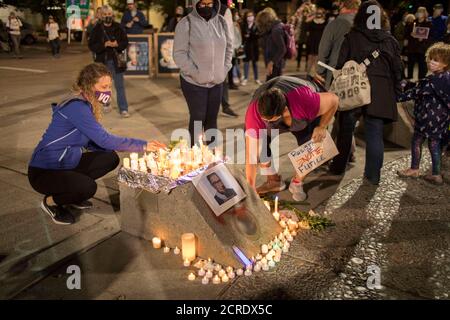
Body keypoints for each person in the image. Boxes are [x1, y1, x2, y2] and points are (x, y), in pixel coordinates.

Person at [28, 63, 166, 225]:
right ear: (90, 85)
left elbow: (94, 142)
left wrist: (112, 146)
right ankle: (51, 201)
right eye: (104, 86)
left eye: (109, 86)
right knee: (88, 188)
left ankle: (73, 193)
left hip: (65, 164)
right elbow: (104, 139)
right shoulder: (77, 107)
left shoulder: (85, 103)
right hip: (44, 172)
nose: (108, 91)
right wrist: (143, 145)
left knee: (109, 158)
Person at [328, 0, 403, 185]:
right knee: (375, 134)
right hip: (380, 91)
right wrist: (395, 91)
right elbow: (398, 70)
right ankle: (373, 176)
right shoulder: (389, 40)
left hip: (354, 89)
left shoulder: (352, 37)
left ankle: (338, 167)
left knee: (345, 130)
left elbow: (340, 65)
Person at [245, 76, 339, 201]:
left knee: (313, 147)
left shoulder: (305, 101)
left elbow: (334, 100)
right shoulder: (254, 114)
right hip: (279, 107)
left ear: (284, 111)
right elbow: (251, 157)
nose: (266, 122)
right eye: (264, 120)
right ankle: (274, 181)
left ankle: (297, 182)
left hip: (301, 112)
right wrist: (250, 188)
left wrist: (322, 126)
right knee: (260, 148)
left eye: (270, 120)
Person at [173, 0, 233, 146]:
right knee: (198, 118)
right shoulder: (186, 23)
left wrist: (223, 70)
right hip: (193, 82)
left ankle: (212, 157)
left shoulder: (221, 22)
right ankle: (195, 155)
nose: (206, 7)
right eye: (202, 4)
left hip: (216, 81)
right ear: (195, 3)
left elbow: (229, 48)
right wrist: (195, 73)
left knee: (212, 118)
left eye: (209, 3)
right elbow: (179, 54)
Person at [397, 42, 450, 185]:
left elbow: (413, 93)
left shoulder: (430, 81)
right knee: (435, 143)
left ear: (445, 63)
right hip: (442, 119)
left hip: (427, 117)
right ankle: (436, 174)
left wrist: (397, 96)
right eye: (431, 59)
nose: (431, 62)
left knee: (417, 140)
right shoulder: (447, 78)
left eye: (436, 60)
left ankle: (414, 169)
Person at [89, 5, 131, 118]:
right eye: (105, 15)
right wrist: (104, 45)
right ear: (101, 16)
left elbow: (125, 42)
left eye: (109, 14)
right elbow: (91, 45)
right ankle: (106, 103)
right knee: (103, 85)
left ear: (112, 15)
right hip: (102, 62)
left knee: (119, 85)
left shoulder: (118, 27)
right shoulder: (97, 29)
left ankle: (123, 108)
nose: (107, 16)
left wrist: (117, 44)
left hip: (116, 61)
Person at [315, 0, 360, 89]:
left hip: (335, 75)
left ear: (342, 5)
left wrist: (320, 72)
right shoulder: (365, 25)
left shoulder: (334, 24)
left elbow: (324, 51)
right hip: (358, 77)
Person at [219, 0, 239, 117]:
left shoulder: (224, 10)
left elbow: (229, 34)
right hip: (203, 53)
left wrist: (229, 54)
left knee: (221, 79)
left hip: (219, 52)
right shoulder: (197, 9)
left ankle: (225, 106)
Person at [256, 8, 287, 81]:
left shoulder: (276, 30)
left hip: (275, 64)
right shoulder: (273, 28)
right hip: (273, 62)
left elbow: (282, 49)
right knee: (271, 84)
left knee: (271, 85)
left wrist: (271, 63)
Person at [405, 7, 433, 80]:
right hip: (412, 47)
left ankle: (421, 80)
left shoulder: (428, 24)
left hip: (422, 48)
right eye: (418, 12)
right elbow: (407, 34)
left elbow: (431, 36)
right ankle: (409, 80)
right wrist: (410, 35)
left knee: (422, 65)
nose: (419, 13)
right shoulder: (413, 23)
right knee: (410, 64)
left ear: (424, 14)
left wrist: (423, 39)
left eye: (421, 12)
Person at [305, 6, 327, 75]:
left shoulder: (325, 23)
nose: (319, 14)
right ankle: (308, 74)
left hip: (320, 42)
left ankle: (316, 74)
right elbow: (306, 23)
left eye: (320, 13)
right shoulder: (311, 22)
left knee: (318, 59)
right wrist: (313, 16)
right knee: (310, 58)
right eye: (318, 13)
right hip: (312, 42)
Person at [241, 10, 261, 86]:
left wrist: (251, 35)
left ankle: (256, 78)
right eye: (248, 16)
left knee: (255, 63)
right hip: (247, 47)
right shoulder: (244, 25)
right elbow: (243, 36)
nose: (250, 17)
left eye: (251, 16)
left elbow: (259, 35)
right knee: (246, 63)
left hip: (255, 47)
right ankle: (245, 78)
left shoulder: (256, 25)